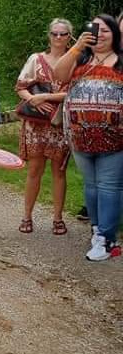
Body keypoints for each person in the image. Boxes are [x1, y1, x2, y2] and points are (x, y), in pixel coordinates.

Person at [53, 14, 123, 261]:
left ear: (115, 33)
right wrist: (76, 47)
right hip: (80, 138)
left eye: (105, 30)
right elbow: (59, 75)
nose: (100, 34)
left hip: (114, 140)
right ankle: (97, 230)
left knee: (109, 187)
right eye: (95, 29)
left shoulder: (120, 61)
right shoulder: (81, 58)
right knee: (91, 187)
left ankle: (107, 239)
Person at [15, 19, 72, 235]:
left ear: (70, 37)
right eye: (54, 33)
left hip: (59, 123)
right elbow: (20, 86)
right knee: (34, 170)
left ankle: (58, 218)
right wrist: (32, 99)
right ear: (48, 35)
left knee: (59, 171)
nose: (58, 38)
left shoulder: (76, 61)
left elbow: (75, 92)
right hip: (36, 123)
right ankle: (27, 216)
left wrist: (47, 96)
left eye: (63, 34)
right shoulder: (36, 59)